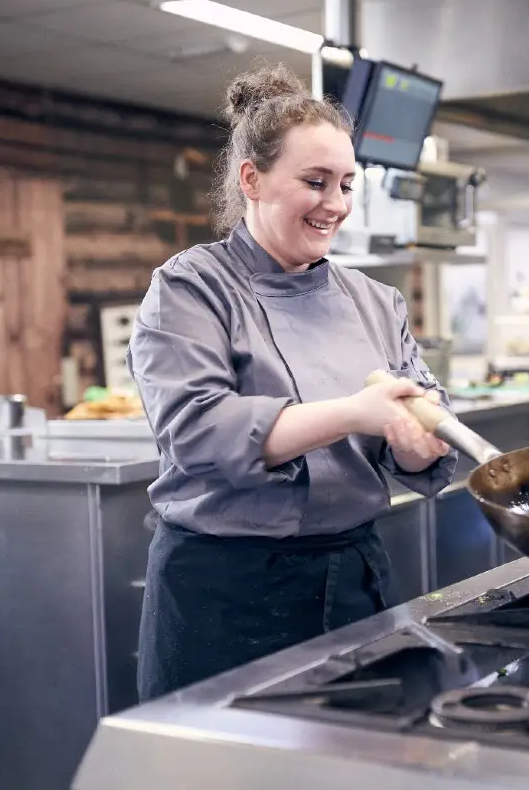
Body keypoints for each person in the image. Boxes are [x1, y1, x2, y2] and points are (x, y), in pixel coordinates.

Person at [128, 63, 459, 702]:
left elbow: (422, 415)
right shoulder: (190, 288)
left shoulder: (375, 300)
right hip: (226, 593)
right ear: (252, 179)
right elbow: (198, 431)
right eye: (315, 182)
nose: (334, 204)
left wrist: (418, 443)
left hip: (352, 579)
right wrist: (357, 413)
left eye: (345, 183)